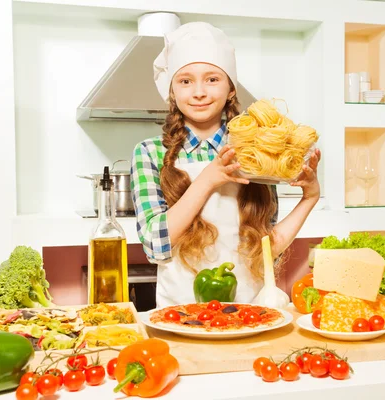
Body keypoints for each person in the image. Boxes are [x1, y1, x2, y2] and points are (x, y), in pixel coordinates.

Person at [131, 22, 321, 308]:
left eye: (212, 79)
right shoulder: (150, 152)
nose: (198, 92)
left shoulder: (256, 149)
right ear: (172, 91)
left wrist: (310, 197)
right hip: (181, 315)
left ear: (231, 89)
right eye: (185, 81)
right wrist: (208, 179)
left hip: (253, 312)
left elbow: (265, 249)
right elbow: (156, 245)